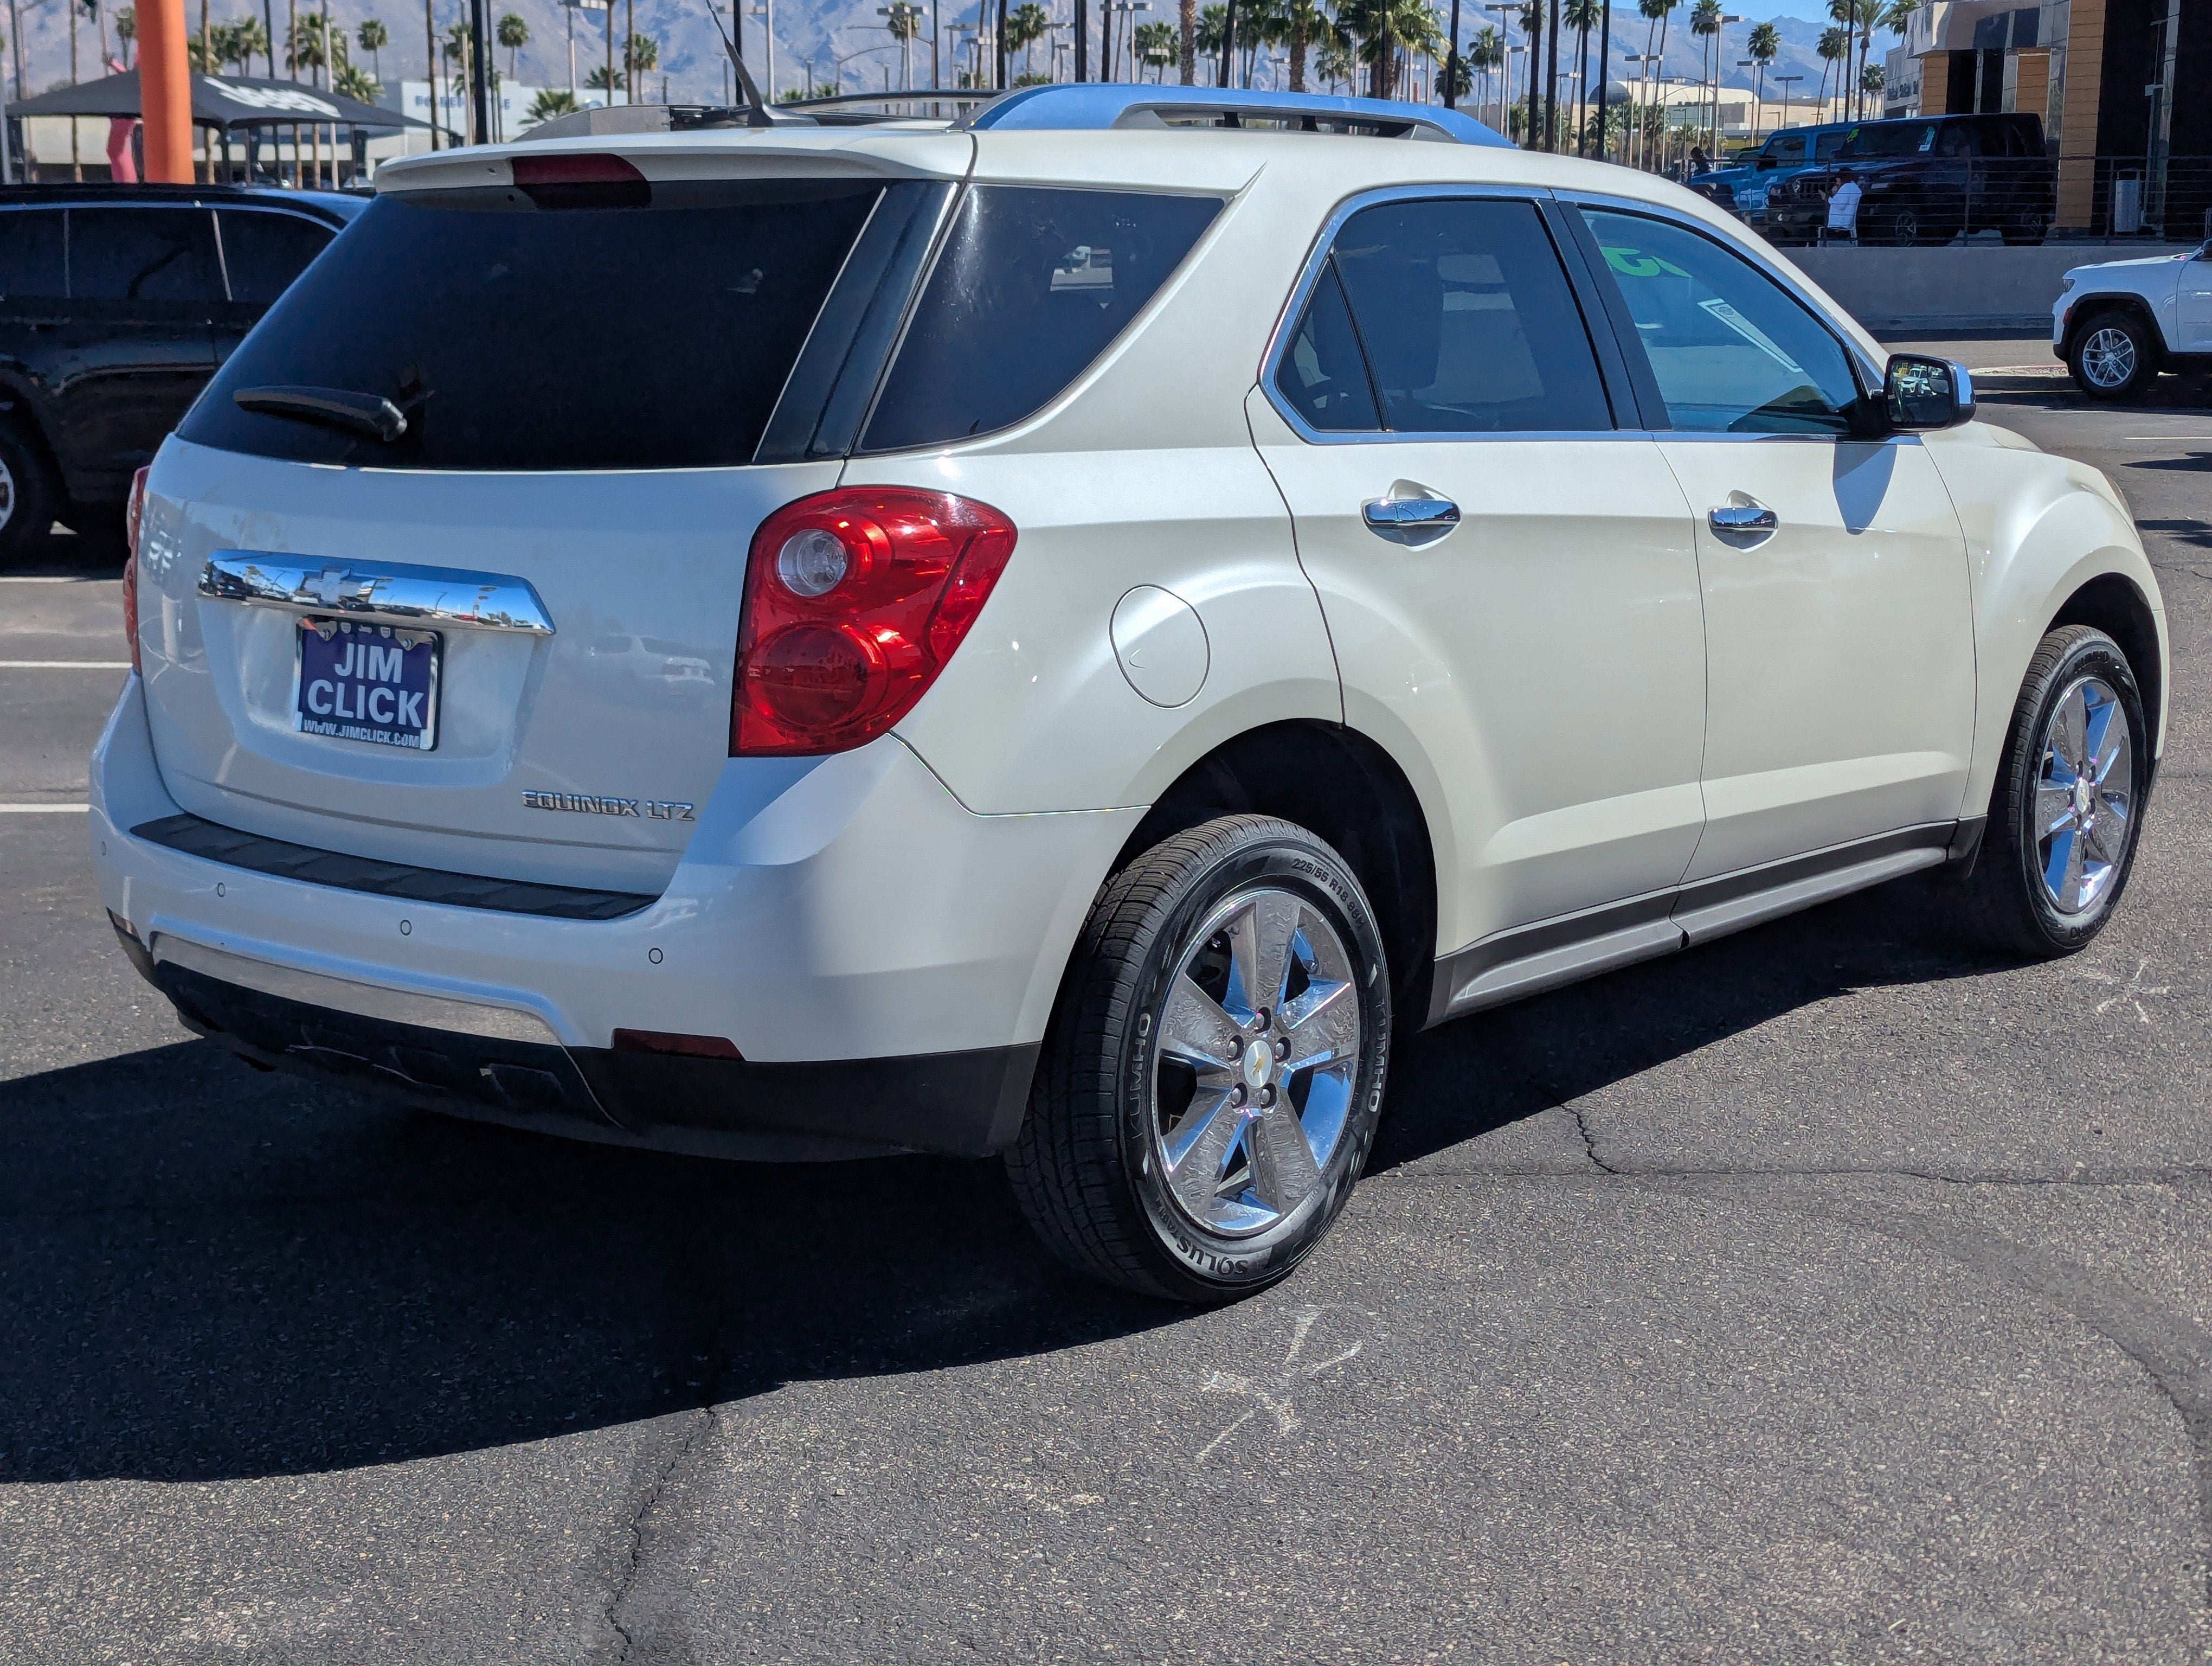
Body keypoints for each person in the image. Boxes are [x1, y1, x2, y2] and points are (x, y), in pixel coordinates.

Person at [1825, 166, 1863, 244]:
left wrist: (1829, 198)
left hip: (1840, 222)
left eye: (1838, 179)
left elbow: (1841, 205)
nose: (1837, 182)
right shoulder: (1855, 188)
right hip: (1847, 221)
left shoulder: (1847, 187)